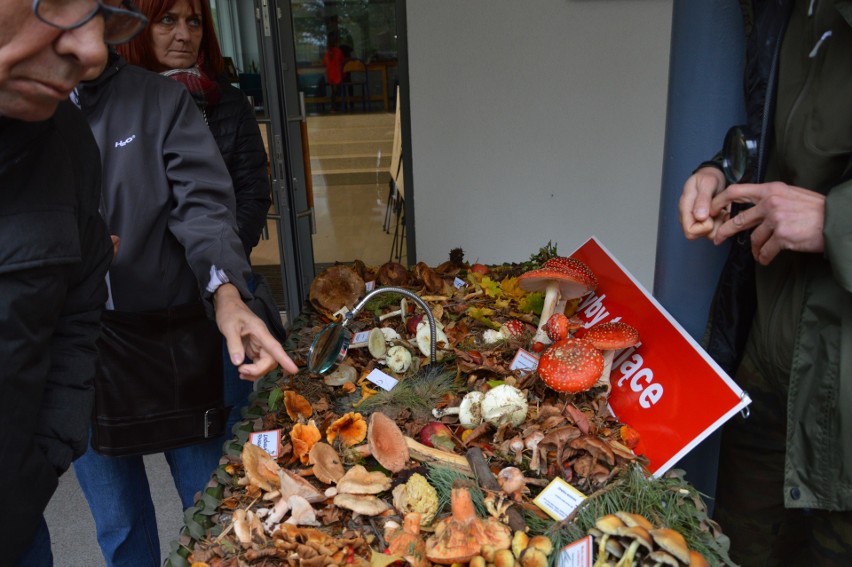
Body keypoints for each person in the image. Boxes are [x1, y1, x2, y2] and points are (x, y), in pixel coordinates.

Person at [70, 47, 298, 566]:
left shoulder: (158, 100)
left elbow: (202, 206)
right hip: (77, 348)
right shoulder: (25, 109)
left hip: (172, 337)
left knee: (212, 505)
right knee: (119, 523)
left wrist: (226, 292)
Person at [679, 2, 852, 565]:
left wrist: (835, 223)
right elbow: (784, 144)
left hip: (845, 405)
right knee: (732, 551)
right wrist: (724, 170)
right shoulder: (782, 9)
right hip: (766, 369)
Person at [0, 2, 147, 566]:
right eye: (59, 2)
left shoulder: (64, 140)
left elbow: (78, 307)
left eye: (106, 15)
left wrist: (45, 455)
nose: (91, 52)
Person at [115, 0, 277, 458]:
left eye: (194, 21)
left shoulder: (228, 103)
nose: (184, 34)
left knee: (220, 445)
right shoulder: (113, 106)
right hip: (136, 314)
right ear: (137, 29)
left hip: (216, 296)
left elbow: (251, 193)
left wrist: (216, 268)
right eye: (167, 20)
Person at [323, 30, 345, 111]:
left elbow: (324, 62)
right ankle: (338, 106)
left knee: (334, 91)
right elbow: (343, 61)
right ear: (337, 42)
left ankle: (334, 107)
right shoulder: (339, 52)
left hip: (331, 76)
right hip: (338, 76)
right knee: (338, 91)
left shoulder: (327, 53)